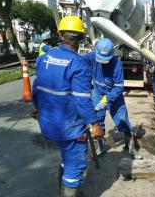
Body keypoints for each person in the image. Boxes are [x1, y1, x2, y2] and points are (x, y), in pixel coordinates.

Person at [32, 16, 103, 197]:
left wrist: (36, 106)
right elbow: (82, 100)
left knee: (67, 158)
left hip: (48, 123)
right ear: (81, 38)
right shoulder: (78, 64)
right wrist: (94, 123)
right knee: (76, 165)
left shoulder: (44, 59)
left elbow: (36, 87)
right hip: (69, 128)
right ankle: (69, 191)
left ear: (60, 35)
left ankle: (63, 189)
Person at [83, 38, 142, 160]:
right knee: (97, 121)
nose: (103, 62)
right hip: (97, 93)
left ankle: (131, 147)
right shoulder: (91, 57)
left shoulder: (116, 64)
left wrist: (105, 100)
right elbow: (76, 61)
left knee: (122, 120)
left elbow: (119, 87)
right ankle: (100, 146)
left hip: (114, 95)